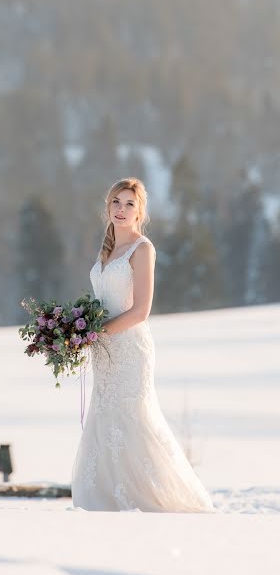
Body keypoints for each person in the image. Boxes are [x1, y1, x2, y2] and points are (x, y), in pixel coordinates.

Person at [71, 177, 218, 512]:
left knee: (133, 418)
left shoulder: (142, 249)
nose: (121, 210)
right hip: (104, 351)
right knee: (104, 415)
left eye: (129, 204)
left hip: (129, 349)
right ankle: (104, 497)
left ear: (140, 212)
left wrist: (97, 333)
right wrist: (78, 329)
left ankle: (154, 498)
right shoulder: (106, 250)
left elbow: (140, 310)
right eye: (116, 203)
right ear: (107, 207)